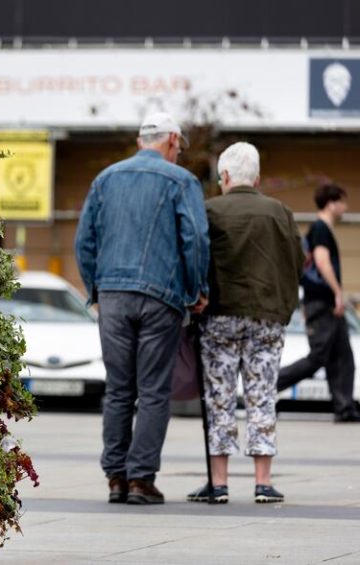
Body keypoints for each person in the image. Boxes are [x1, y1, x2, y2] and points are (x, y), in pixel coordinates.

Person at [75, 111, 209, 505]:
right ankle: (140, 480)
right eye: (179, 147)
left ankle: (115, 477)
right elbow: (196, 240)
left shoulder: (106, 179)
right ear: (171, 141)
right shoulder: (182, 181)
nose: (179, 154)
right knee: (153, 390)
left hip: (113, 295)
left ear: (140, 142)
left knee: (118, 389)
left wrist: (96, 290)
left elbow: (84, 242)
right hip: (160, 297)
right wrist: (196, 289)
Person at [186, 142, 303, 505]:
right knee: (262, 396)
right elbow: (297, 261)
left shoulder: (209, 210)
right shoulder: (279, 211)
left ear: (224, 176)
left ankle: (218, 483)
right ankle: (263, 482)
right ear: (257, 177)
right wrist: (283, 307)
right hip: (267, 318)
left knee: (219, 397)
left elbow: (196, 257)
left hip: (219, 315)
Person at [276, 184, 360, 423]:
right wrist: (337, 292)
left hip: (322, 302)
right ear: (332, 203)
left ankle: (345, 408)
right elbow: (322, 263)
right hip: (323, 302)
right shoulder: (321, 229)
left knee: (343, 355)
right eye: (343, 202)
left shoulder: (322, 229)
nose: (346, 207)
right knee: (318, 357)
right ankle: (269, 385)